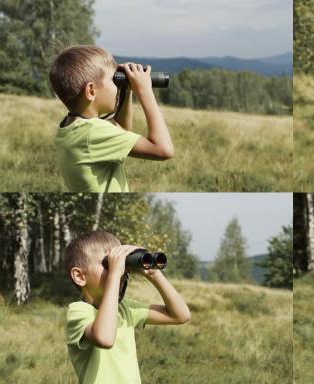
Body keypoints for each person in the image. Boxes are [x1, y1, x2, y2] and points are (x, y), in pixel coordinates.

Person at [64, 230, 190, 383]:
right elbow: (104, 338)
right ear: (80, 276)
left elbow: (180, 315)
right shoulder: (78, 311)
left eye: (122, 263)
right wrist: (114, 275)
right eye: (107, 264)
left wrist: (153, 274)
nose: (120, 269)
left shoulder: (125, 308)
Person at [49, 45, 174, 192]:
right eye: (113, 80)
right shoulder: (92, 133)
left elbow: (121, 128)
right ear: (91, 91)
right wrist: (145, 91)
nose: (117, 84)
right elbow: (164, 149)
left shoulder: (72, 127)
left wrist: (126, 89)